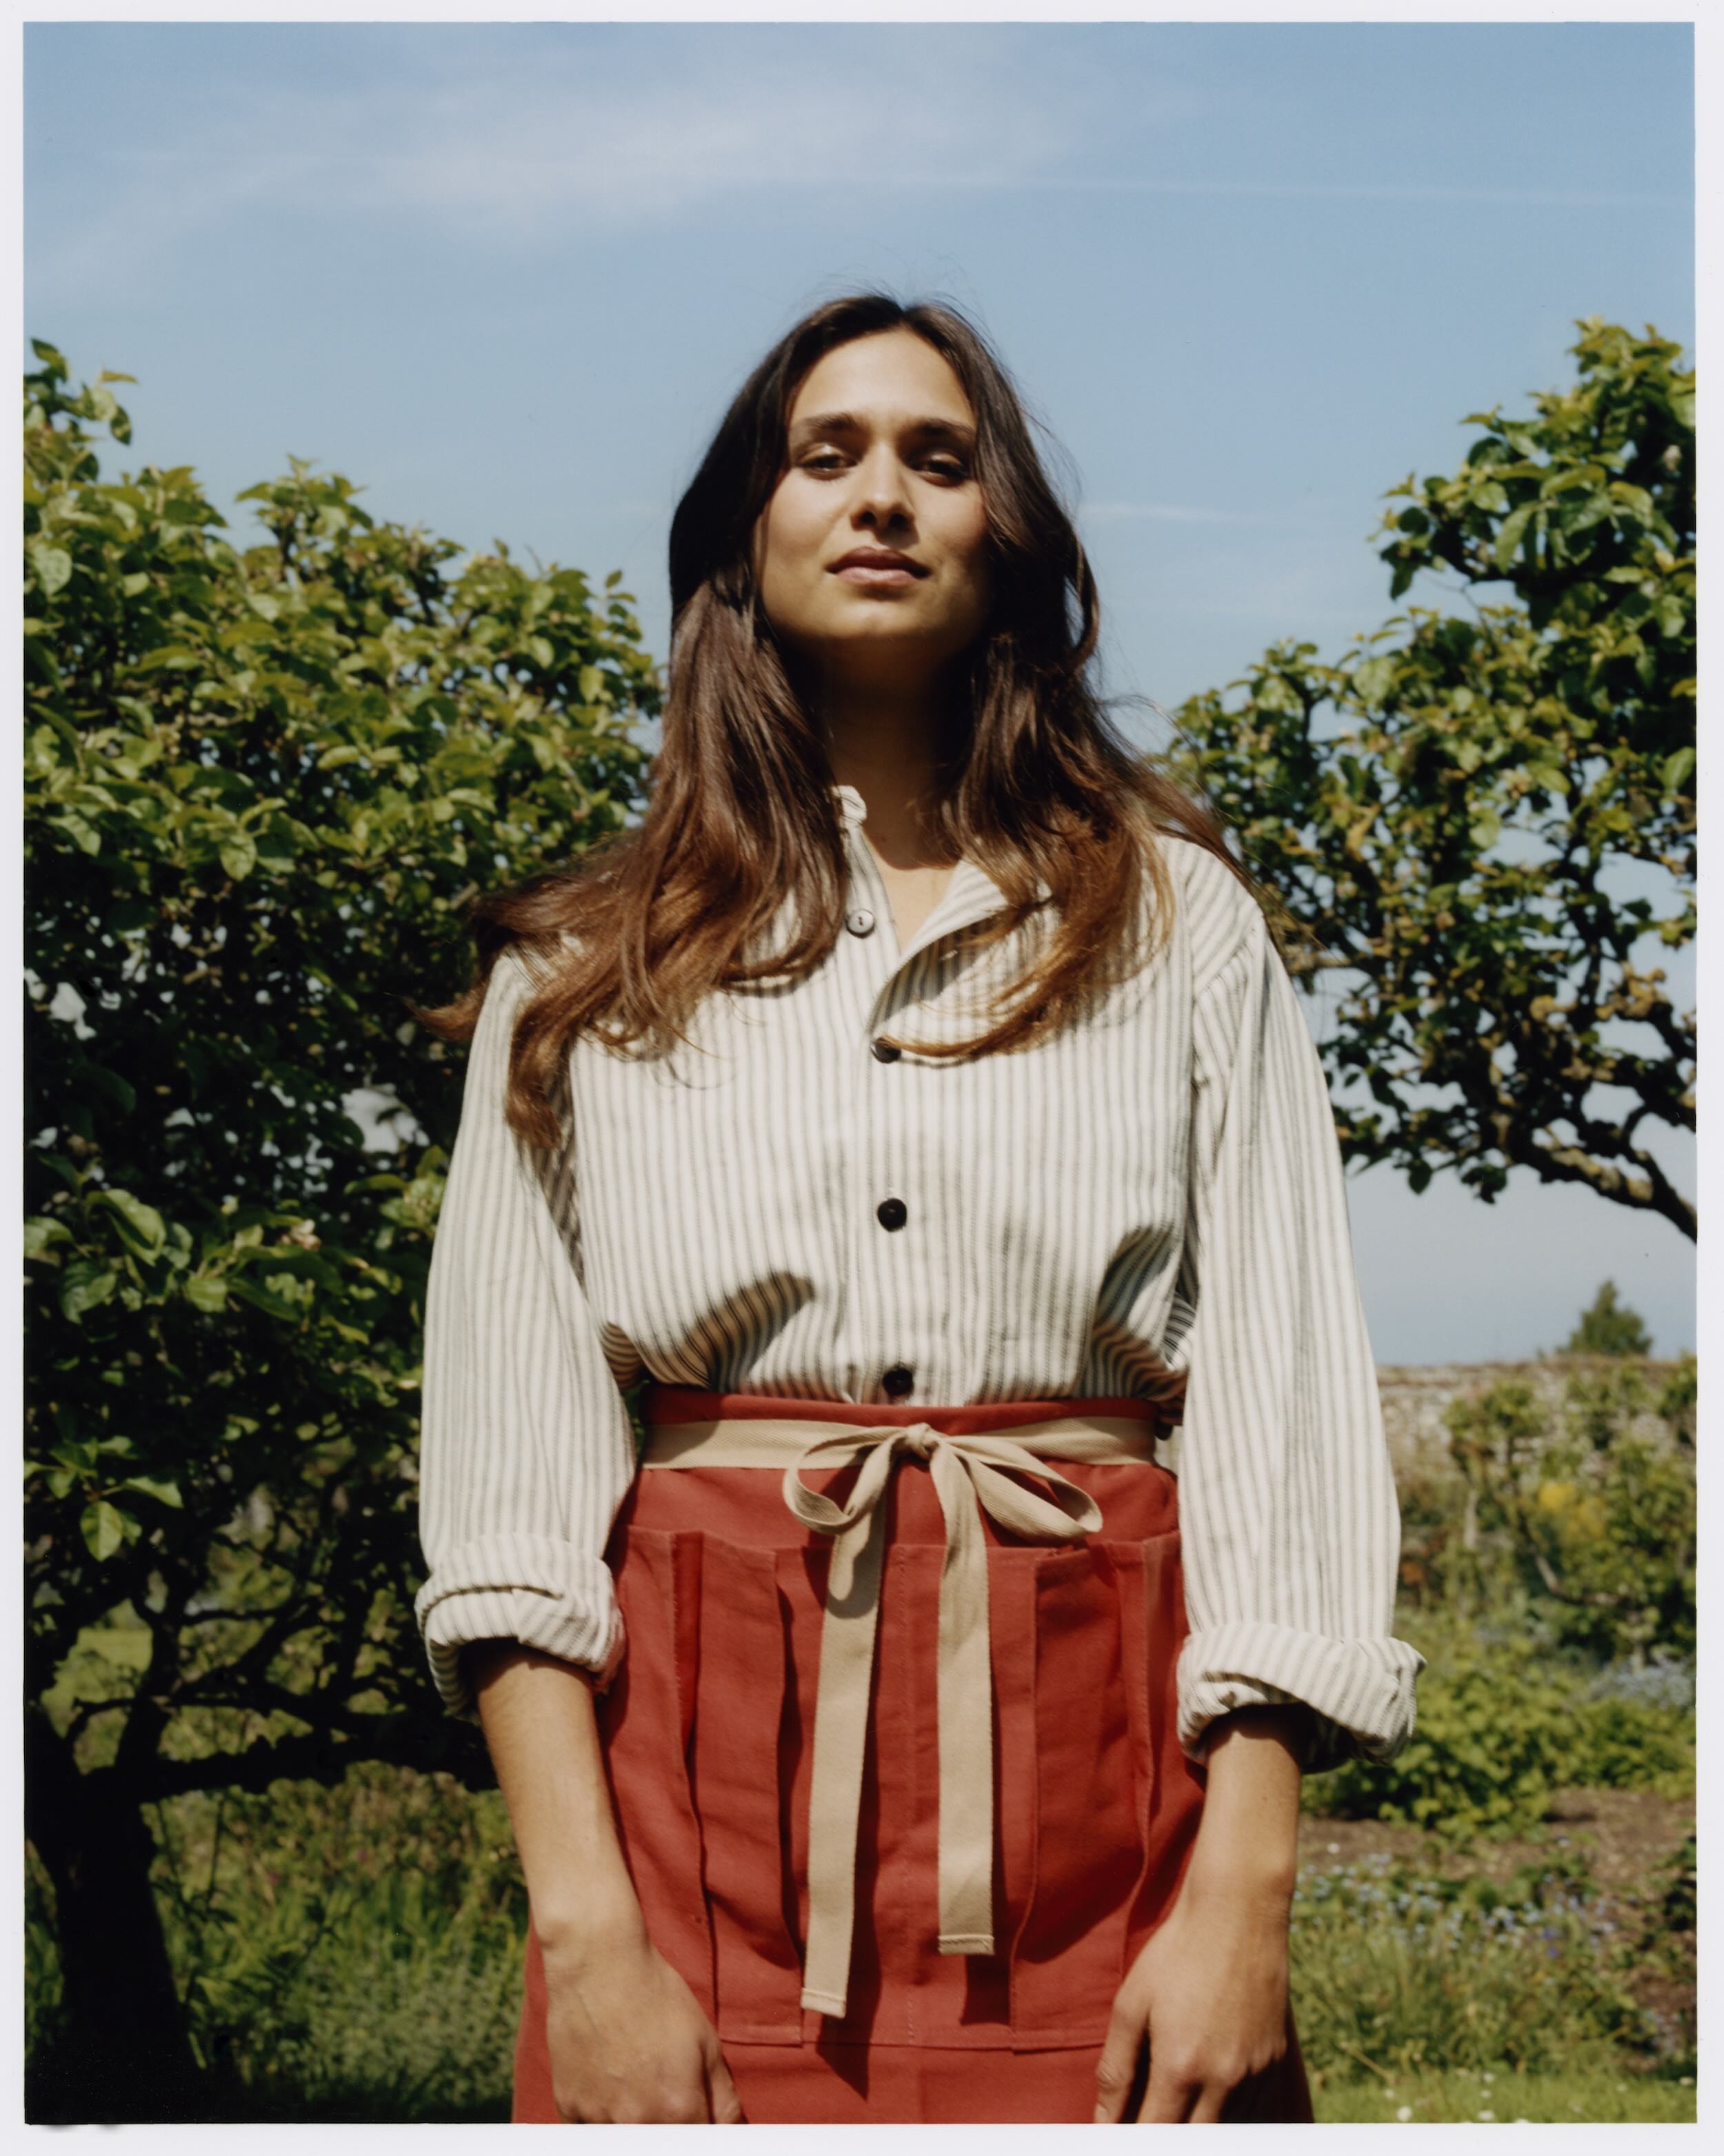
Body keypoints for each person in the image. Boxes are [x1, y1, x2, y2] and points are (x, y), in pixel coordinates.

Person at [412, 292, 1424, 2126]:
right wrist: (584, 1938)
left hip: (1108, 1767)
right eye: (828, 455)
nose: (880, 495)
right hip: (687, 1797)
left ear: (1004, 537)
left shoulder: (1181, 924)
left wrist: (1244, 1899)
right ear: (745, 533)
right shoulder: (579, 965)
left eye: (935, 460)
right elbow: (507, 1489)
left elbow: (1283, 1413)